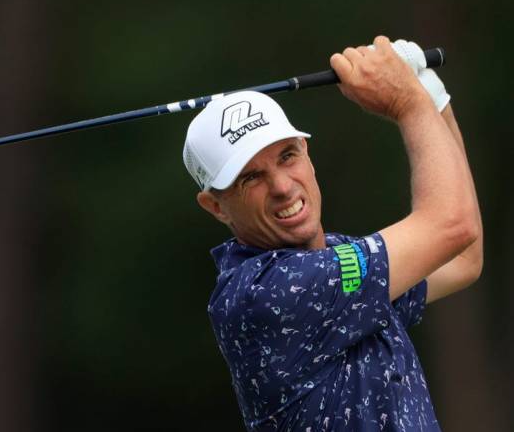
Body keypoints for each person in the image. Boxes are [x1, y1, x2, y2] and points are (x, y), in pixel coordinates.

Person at [182, 36, 482, 431]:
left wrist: (431, 98)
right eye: (251, 178)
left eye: (288, 156)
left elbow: (463, 258)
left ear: (307, 152)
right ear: (215, 206)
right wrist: (407, 103)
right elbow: (451, 226)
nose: (283, 187)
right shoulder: (265, 293)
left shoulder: (341, 260)